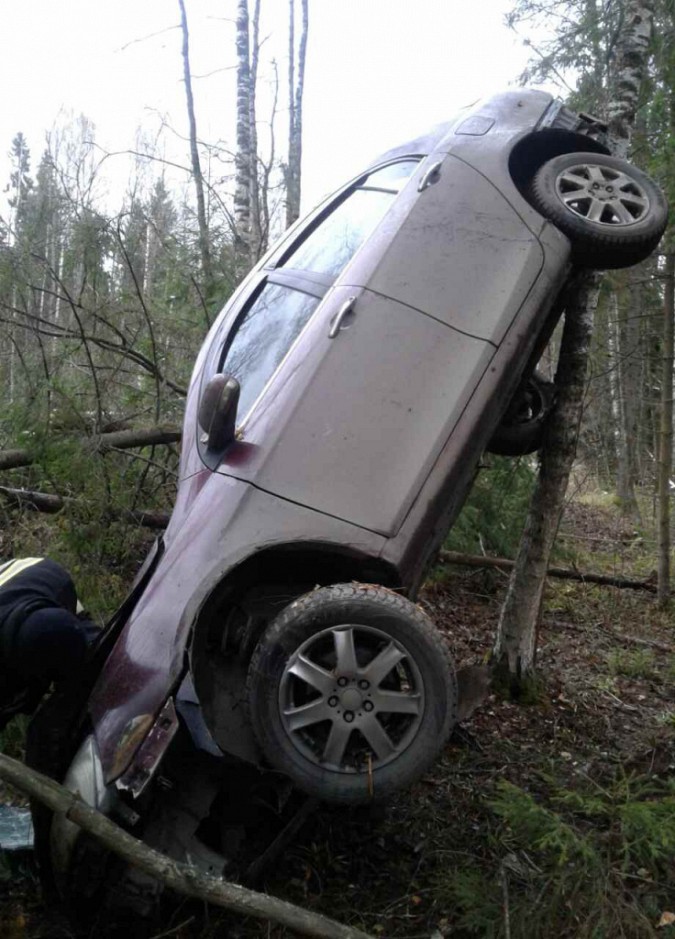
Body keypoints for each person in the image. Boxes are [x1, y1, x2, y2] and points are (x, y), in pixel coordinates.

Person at [0, 557, 99, 728]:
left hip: (41, 581)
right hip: (23, 588)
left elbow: (57, 630)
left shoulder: (36, 632)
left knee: (98, 667)